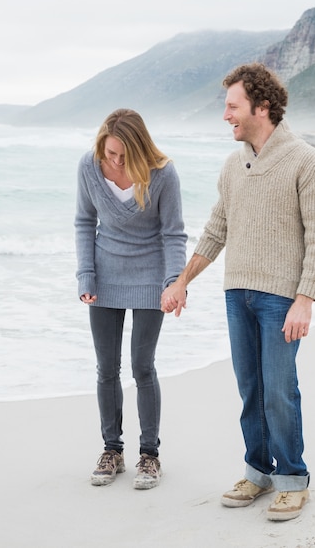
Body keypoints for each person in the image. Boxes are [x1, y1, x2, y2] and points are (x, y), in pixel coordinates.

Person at [161, 63, 315, 521]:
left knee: (279, 390)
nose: (225, 116)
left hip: (281, 297)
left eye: (232, 106)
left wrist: (305, 299)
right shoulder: (233, 165)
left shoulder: (306, 162)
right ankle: (258, 472)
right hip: (237, 293)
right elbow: (216, 229)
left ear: (262, 107)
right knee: (250, 388)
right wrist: (181, 281)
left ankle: (293, 479)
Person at [75, 108, 187, 490]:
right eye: (111, 154)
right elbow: (84, 222)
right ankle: (112, 451)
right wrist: (86, 274)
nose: (117, 162)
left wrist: (175, 281)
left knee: (143, 366)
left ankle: (149, 455)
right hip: (104, 278)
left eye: (125, 155)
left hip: (150, 278)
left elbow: (173, 233)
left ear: (140, 148)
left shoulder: (163, 173)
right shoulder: (89, 168)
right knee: (106, 368)